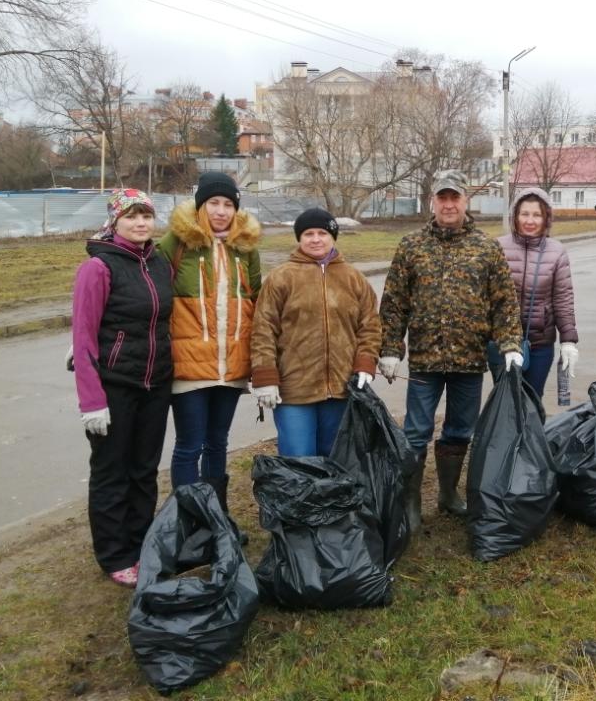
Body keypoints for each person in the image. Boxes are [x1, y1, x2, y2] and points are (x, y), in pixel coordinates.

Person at [378, 169, 522, 529]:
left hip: (469, 361)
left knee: (459, 430)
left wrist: (510, 344)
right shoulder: (411, 246)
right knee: (416, 433)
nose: (448, 204)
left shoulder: (486, 248)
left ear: (465, 201)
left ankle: (447, 493)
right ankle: (411, 502)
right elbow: (394, 303)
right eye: (442, 198)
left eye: (454, 197)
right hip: (425, 361)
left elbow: (503, 302)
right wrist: (391, 349)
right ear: (433, 202)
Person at [71, 188, 173, 587]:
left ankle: (141, 542)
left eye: (146, 216)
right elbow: (83, 336)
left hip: (155, 383)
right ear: (115, 221)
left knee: (144, 470)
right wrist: (92, 400)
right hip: (115, 387)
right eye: (131, 217)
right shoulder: (99, 268)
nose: (140, 223)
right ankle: (115, 554)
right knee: (113, 471)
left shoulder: (157, 262)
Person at [156, 171, 261, 534]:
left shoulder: (245, 249)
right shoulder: (176, 243)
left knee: (218, 444)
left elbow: (258, 301)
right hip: (187, 367)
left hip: (230, 366)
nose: (220, 211)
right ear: (201, 205)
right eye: (213, 203)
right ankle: (187, 524)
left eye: (228, 204)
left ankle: (217, 521)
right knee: (190, 445)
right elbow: (150, 295)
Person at [249, 208, 380, 458]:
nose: (316, 239)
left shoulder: (353, 278)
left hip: (341, 388)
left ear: (333, 237)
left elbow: (370, 325)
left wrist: (365, 362)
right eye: (308, 233)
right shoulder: (281, 278)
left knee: (334, 457)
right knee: (299, 459)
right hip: (293, 389)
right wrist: (265, 376)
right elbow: (263, 329)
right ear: (299, 238)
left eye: (322, 232)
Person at [495, 186, 579, 400]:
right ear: (515, 216)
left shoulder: (556, 251)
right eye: (524, 214)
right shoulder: (497, 247)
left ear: (546, 218)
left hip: (540, 343)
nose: (530, 220)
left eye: (536, 214)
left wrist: (568, 340)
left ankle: (532, 435)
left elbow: (563, 299)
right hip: (501, 344)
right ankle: (505, 435)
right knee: (505, 400)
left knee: (532, 399)